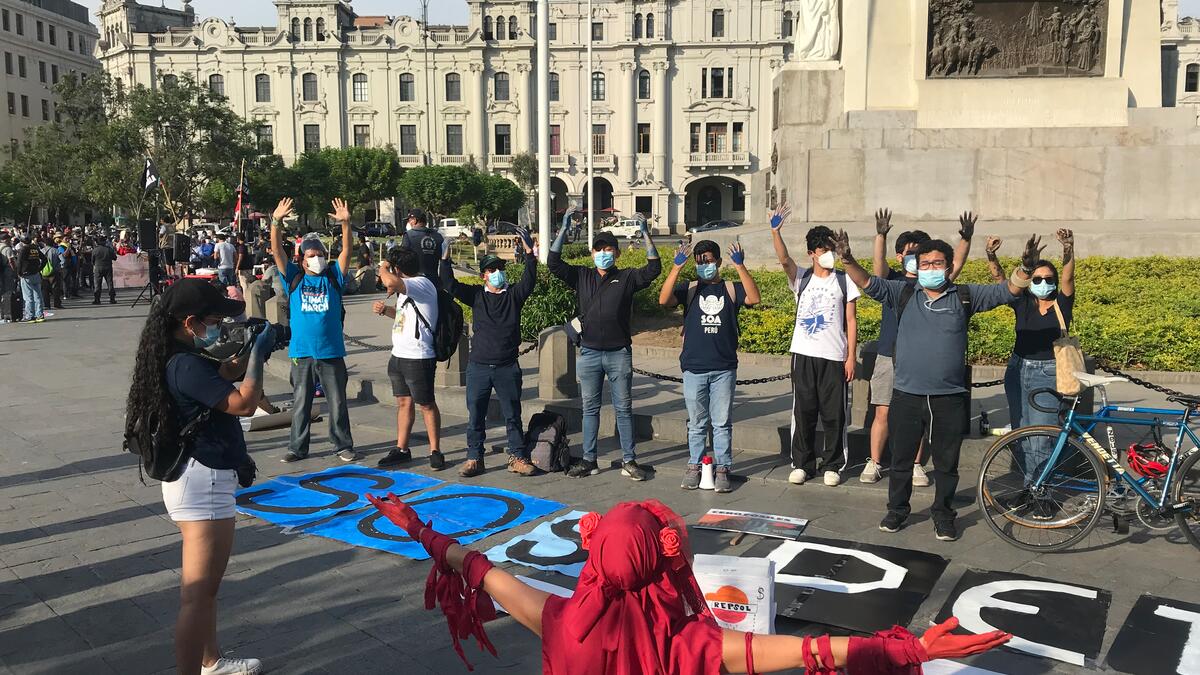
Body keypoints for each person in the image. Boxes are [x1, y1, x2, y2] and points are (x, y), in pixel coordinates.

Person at [367, 495, 1011, 674]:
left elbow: (478, 569)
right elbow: (814, 651)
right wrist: (913, 649)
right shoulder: (692, 649)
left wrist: (418, 528)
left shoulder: (560, 621)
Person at [833, 230, 1039, 542]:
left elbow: (1007, 292)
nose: (931, 268)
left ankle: (943, 514)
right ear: (916, 266)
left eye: (937, 263)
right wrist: (846, 259)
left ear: (948, 266)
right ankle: (897, 510)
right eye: (925, 263)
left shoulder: (964, 295)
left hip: (949, 398)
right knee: (900, 461)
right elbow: (867, 283)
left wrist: (1024, 270)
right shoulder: (902, 293)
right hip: (907, 394)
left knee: (946, 464)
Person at [124, 278, 269, 675]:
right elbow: (242, 404)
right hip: (202, 481)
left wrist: (237, 362)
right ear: (190, 322)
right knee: (198, 595)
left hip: (197, 476)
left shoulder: (175, 354)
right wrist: (257, 357)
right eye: (215, 319)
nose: (221, 325)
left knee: (204, 593)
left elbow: (216, 381)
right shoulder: (186, 363)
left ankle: (212, 661)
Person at [862, 210, 975, 486]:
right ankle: (875, 461)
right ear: (900, 257)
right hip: (889, 354)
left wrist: (965, 238)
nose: (915, 258)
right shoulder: (894, 282)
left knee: (920, 418)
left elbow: (957, 263)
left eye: (919, 253)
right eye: (910, 253)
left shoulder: (939, 285)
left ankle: (916, 464)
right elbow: (876, 267)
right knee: (883, 412)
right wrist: (881, 235)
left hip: (919, 362)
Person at [548, 216, 661, 481]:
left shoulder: (627, 277)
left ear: (617, 253)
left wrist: (645, 234)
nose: (603, 254)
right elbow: (553, 263)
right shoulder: (582, 276)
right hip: (589, 353)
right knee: (590, 408)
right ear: (592, 254)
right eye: (598, 249)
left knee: (623, 408)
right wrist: (563, 228)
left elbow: (653, 269)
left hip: (618, 353)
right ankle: (589, 459)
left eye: (608, 249)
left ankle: (629, 459)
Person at [657, 239, 760, 493]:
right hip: (693, 368)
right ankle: (694, 465)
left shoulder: (730, 288)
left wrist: (740, 267)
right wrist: (676, 268)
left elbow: (754, 298)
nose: (705, 264)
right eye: (700, 260)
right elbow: (663, 299)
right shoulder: (690, 288)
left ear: (718, 261)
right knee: (696, 423)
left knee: (722, 422)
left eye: (709, 259)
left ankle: (723, 467)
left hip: (723, 368)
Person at [440, 228, 540, 478]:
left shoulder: (514, 295)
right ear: (484, 275)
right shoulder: (475, 296)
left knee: (512, 414)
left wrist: (530, 254)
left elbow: (529, 281)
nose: (498, 274)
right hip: (479, 367)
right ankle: (475, 457)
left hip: (507, 366)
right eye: (492, 270)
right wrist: (444, 259)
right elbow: (450, 285)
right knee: (476, 415)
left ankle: (517, 456)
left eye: (500, 269)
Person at [770, 207, 859, 488]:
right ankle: (802, 463)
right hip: (803, 355)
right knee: (804, 412)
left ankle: (832, 464)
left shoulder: (845, 281)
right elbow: (784, 260)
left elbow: (851, 319)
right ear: (812, 252)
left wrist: (851, 357)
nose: (828, 254)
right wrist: (776, 231)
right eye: (823, 249)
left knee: (834, 414)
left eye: (831, 249)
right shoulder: (802, 279)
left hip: (834, 356)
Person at [269, 197, 361, 464]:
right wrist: (276, 222)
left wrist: (346, 224)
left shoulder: (333, 277)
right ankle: (297, 447)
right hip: (302, 353)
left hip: (331, 351)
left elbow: (347, 251)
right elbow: (277, 252)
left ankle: (342, 444)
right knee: (301, 403)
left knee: (338, 403)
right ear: (303, 259)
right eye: (312, 255)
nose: (317, 259)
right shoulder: (294, 278)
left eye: (320, 254)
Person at [994, 230, 1076, 472]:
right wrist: (991, 254)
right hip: (1017, 370)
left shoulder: (1062, 304)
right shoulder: (1022, 302)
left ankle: (1043, 495)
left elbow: (1069, 280)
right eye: (1037, 279)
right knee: (1021, 433)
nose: (1043, 283)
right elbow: (1001, 282)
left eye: (1048, 279)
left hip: (1049, 372)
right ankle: (1031, 487)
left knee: (1042, 437)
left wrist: (1069, 249)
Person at [373, 245, 446, 470]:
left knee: (426, 404)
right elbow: (405, 316)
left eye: (392, 268)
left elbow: (390, 282)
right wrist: (387, 311)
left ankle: (435, 450)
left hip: (419, 356)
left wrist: (383, 266)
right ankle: (402, 448)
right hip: (399, 355)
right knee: (403, 402)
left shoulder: (421, 284)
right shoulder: (407, 291)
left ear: (398, 269)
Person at [399, 208, 444, 283]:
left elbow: (403, 258)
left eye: (409, 220)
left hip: (415, 281)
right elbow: (443, 258)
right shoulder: (437, 236)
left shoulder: (409, 235)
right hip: (434, 280)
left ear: (415, 220)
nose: (409, 223)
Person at [17, 239, 46, 322]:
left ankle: (30, 316)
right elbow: (44, 259)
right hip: (36, 273)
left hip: (26, 274)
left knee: (28, 296)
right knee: (38, 295)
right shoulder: (35, 248)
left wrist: (19, 273)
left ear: (22, 242)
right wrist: (39, 268)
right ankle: (39, 315)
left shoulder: (23, 249)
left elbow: (19, 262)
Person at [91, 237, 118, 305]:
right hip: (108, 267)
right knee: (110, 283)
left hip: (98, 267)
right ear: (104, 242)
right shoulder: (109, 249)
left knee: (97, 284)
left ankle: (97, 299)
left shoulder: (95, 250)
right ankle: (112, 299)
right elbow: (115, 258)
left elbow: (92, 260)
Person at [0, 233, 15, 323]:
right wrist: (16, 272)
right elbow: (11, 261)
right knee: (8, 293)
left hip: (1, 272)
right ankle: (8, 313)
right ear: (5, 240)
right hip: (7, 272)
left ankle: (1, 314)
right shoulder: (7, 249)